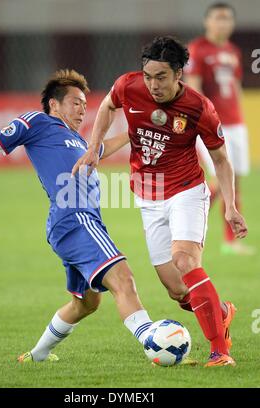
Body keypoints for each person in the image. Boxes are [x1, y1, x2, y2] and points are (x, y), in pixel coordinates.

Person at [72, 36, 248, 367]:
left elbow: (222, 160)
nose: (153, 85)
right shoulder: (128, 86)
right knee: (177, 289)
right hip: (148, 195)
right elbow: (109, 106)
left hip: (186, 190)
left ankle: (220, 350)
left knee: (185, 260)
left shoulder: (199, 108)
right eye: (148, 76)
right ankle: (221, 312)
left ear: (179, 73)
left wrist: (232, 206)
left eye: (161, 77)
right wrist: (94, 146)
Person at [0, 69, 157, 363]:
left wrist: (133, 132)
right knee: (123, 278)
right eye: (75, 102)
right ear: (54, 104)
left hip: (80, 223)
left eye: (84, 103)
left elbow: (102, 149)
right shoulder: (39, 122)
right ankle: (157, 345)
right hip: (75, 219)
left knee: (87, 303)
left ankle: (37, 354)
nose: (82, 108)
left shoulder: (79, 142)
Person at [184, 2, 254, 255]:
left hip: (236, 124)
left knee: (235, 182)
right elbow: (194, 88)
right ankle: (186, 225)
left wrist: (241, 117)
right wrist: (207, 121)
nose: (223, 23)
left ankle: (231, 241)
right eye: (218, 18)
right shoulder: (198, 49)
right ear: (207, 22)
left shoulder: (233, 50)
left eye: (227, 19)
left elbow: (234, 87)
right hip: (214, 125)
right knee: (219, 179)